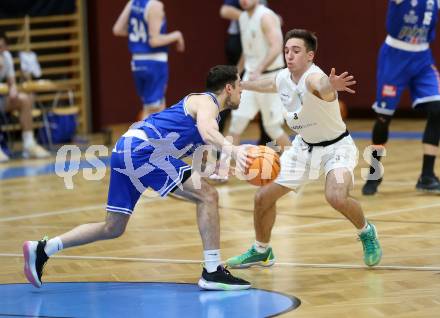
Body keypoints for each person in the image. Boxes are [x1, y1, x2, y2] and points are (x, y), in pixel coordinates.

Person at [23, 65, 252, 291]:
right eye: (241, 86)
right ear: (229, 88)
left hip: (128, 148)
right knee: (208, 196)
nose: (243, 91)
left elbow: (200, 159)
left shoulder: (209, 114)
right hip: (145, 149)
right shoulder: (207, 102)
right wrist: (235, 150)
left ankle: (43, 249)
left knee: (113, 227)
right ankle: (212, 271)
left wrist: (220, 167)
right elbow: (207, 132)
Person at [226, 29, 382, 269]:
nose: (289, 55)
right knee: (262, 197)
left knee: (336, 196)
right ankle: (261, 250)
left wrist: (331, 85)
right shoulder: (284, 77)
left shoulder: (313, 77)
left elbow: (320, 86)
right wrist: (241, 84)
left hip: (336, 148)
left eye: (296, 51)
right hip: (303, 149)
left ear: (310, 56)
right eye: (287, 51)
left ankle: (366, 231)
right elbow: (269, 83)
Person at [362, 0, 440, 195]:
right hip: (395, 57)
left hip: (422, 56)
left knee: (438, 108)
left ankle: (427, 175)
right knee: (383, 118)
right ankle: (374, 172)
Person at [227, 0, 290, 151]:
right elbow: (247, 51)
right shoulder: (242, 18)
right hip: (250, 77)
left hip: (271, 77)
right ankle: (223, 168)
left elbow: (276, 46)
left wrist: (260, 68)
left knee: (272, 127)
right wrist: (237, 71)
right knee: (236, 123)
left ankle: (296, 160)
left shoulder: (266, 16)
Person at [113, 0, 185, 120]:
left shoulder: (133, 3)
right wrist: (177, 35)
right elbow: (154, 41)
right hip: (154, 62)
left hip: (137, 62)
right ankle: (140, 137)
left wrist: (141, 35)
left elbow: (117, 30)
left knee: (155, 106)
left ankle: (154, 137)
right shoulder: (155, 5)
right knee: (154, 110)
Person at [0, 31, 50, 162]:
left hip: (2, 99)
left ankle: (29, 144)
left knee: (24, 100)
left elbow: (11, 82)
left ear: (6, 47)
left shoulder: (7, 57)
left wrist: (13, 90)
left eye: (2, 47)